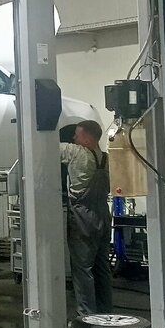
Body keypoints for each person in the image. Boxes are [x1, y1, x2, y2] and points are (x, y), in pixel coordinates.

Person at [60, 119, 112, 317]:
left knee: (83, 270)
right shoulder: (106, 158)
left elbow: (45, 147)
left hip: (82, 219)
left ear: (88, 140)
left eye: (77, 135)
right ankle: (106, 314)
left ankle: (87, 317)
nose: (73, 138)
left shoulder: (77, 153)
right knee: (102, 268)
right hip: (103, 217)